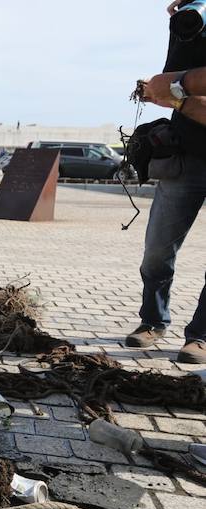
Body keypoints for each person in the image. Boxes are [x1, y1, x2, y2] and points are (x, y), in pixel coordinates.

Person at [125, 0, 206, 364]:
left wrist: (175, 92)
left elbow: (176, 91)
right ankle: (153, 321)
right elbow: (170, 90)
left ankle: (201, 336)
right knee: (157, 249)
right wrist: (159, 91)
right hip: (185, 155)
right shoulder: (189, 23)